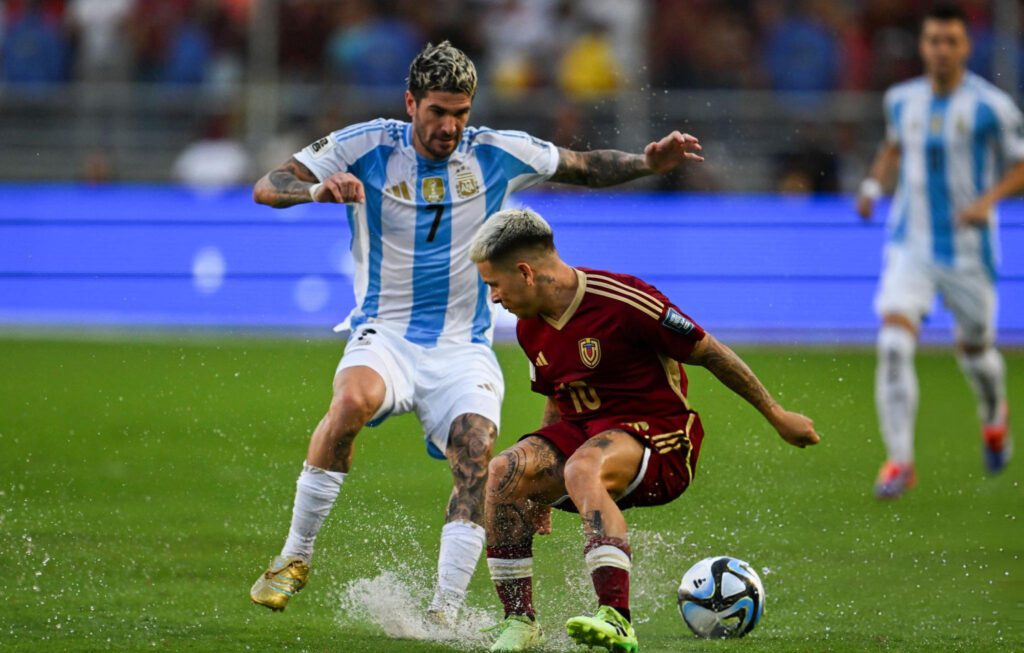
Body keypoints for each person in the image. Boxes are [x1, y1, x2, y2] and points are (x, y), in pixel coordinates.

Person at [248, 40, 705, 621]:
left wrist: (648, 163)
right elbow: (269, 184)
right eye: (437, 111)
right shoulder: (365, 144)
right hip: (385, 332)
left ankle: (444, 609)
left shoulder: (495, 152)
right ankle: (294, 557)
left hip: (465, 345)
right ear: (410, 102)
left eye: (460, 113)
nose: (449, 125)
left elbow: (584, 165)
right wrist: (317, 189)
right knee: (351, 401)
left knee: (477, 454)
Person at [469, 208, 820, 652]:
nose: (494, 297)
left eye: (494, 284)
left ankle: (616, 618)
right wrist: (534, 480)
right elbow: (559, 396)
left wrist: (776, 414)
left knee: (583, 468)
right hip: (584, 436)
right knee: (503, 472)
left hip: (663, 440)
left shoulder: (625, 300)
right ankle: (521, 623)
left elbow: (710, 352)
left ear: (524, 271)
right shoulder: (529, 326)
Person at [856, 3, 1024, 499]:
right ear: (923, 46)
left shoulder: (991, 107)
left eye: (951, 41)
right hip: (911, 244)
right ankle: (900, 461)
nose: (942, 50)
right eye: (933, 41)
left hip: (970, 251)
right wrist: (871, 184)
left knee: (976, 356)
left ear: (966, 47)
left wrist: (983, 204)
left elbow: (1019, 167)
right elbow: (892, 146)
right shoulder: (901, 100)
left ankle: (994, 415)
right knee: (891, 345)